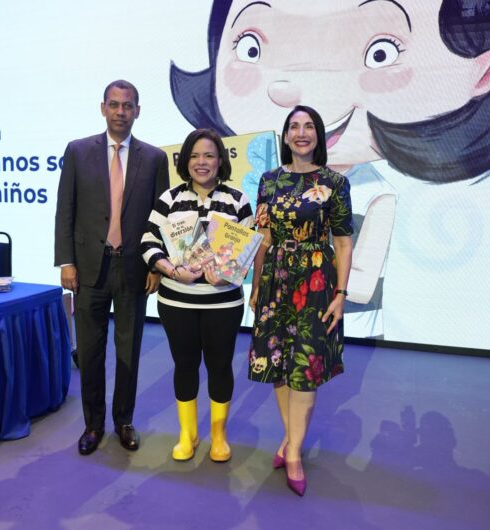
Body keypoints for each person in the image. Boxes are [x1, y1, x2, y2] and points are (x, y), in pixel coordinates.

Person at [171, 0, 490, 340]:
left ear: (485, 70)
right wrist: (214, 258)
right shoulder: (265, 181)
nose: (291, 87)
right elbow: (241, 247)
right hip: (269, 314)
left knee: (310, 396)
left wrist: (294, 260)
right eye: (250, 47)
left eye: (381, 52)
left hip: (337, 326)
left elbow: (361, 286)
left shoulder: (372, 194)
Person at [54, 80, 169, 455]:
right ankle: (92, 424)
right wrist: (67, 261)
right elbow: (65, 211)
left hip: (134, 269)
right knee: (90, 352)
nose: (121, 112)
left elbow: (160, 218)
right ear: (103, 108)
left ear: (138, 111)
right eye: (115, 105)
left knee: (128, 352)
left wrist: (156, 265)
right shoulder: (77, 151)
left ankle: (123, 421)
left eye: (128, 105)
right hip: (88, 269)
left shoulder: (154, 159)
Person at [247, 106, 353, 496]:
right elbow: (263, 239)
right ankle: (292, 438)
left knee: (305, 366)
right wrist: (256, 286)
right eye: (294, 126)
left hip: (316, 282)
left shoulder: (335, 182)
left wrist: (340, 294)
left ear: (319, 135)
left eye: (309, 126)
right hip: (275, 280)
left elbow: (342, 242)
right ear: (286, 136)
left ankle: (292, 451)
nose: (301, 133)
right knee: (278, 364)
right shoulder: (269, 181)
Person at [141, 128, 253, 462]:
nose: (201, 162)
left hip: (224, 303)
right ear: (185, 161)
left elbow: (248, 249)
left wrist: (230, 271)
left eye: (209, 155)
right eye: (194, 156)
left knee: (220, 366)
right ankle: (186, 435)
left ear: (220, 160)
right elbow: (148, 241)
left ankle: (219, 436)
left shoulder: (237, 199)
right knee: (185, 364)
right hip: (177, 301)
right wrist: (171, 269)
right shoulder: (170, 198)